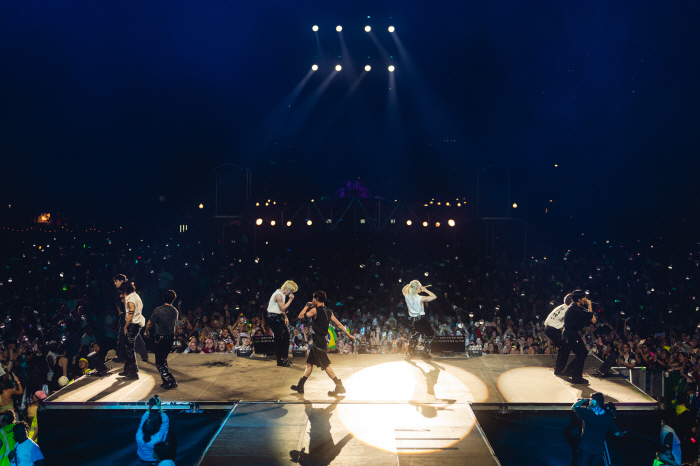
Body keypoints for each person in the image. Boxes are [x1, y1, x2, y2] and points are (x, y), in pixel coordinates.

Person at [291, 291, 355, 396]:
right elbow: (338, 324)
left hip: (318, 341)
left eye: (313, 299)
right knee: (309, 363)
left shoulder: (315, 310)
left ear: (316, 299)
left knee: (325, 365)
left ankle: (339, 386)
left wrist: (307, 305)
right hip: (322, 340)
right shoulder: (328, 311)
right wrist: (348, 335)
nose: (312, 300)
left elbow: (300, 316)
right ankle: (300, 386)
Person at [572, 393, 623, 466]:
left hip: (585, 448)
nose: (590, 401)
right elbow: (617, 433)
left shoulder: (587, 413)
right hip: (598, 451)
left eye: (591, 400)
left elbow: (574, 407)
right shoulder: (607, 417)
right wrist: (622, 433)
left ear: (595, 401)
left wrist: (583, 400)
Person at [145, 290, 179, 390]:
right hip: (170, 338)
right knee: (163, 360)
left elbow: (150, 323)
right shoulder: (175, 310)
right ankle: (165, 381)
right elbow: (174, 325)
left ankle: (171, 381)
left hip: (161, 338)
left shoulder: (158, 310)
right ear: (173, 299)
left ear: (163, 298)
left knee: (159, 363)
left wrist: (146, 331)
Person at [113, 275, 148, 364]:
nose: (115, 283)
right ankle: (142, 354)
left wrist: (125, 325)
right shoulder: (131, 294)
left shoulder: (130, 295)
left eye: (116, 281)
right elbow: (119, 303)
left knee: (125, 337)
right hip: (130, 317)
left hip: (130, 318)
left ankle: (123, 358)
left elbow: (130, 312)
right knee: (134, 337)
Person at [563, 291, 596, 384]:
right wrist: (589, 305)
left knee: (583, 353)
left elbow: (592, 319)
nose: (586, 299)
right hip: (569, 334)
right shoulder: (574, 308)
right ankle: (576, 377)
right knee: (581, 353)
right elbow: (590, 315)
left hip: (572, 333)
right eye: (584, 297)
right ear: (579, 299)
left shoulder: (577, 308)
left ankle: (569, 370)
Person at [402, 280, 437, 360]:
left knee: (414, 338)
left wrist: (409, 285)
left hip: (414, 320)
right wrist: (425, 290)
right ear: (417, 287)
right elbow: (434, 297)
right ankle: (425, 353)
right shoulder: (420, 298)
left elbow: (403, 289)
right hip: (422, 320)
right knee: (430, 335)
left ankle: (409, 355)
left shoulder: (407, 296)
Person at [119, 281, 147, 380]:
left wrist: (125, 326)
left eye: (122, 291)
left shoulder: (131, 300)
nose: (121, 294)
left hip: (132, 325)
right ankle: (128, 370)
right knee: (129, 348)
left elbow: (130, 316)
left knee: (130, 349)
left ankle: (134, 372)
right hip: (136, 324)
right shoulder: (135, 296)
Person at [267, 280, 298, 367]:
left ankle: (284, 358)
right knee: (280, 338)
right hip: (273, 317)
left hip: (277, 316)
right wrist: (290, 300)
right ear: (287, 288)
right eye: (290, 291)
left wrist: (285, 317)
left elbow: (281, 310)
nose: (290, 293)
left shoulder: (282, 294)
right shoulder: (279, 295)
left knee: (285, 337)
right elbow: (283, 308)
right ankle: (280, 360)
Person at [545, 291, 575, 376]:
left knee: (563, 347)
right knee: (566, 347)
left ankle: (558, 368)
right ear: (572, 301)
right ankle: (559, 370)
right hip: (553, 329)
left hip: (550, 328)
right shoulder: (567, 309)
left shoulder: (562, 306)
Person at [136, 396, 169, 465]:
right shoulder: (158, 437)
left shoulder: (139, 435)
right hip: (155, 460)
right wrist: (159, 407)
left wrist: (150, 407)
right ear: (155, 429)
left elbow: (142, 420)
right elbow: (165, 423)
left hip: (143, 459)